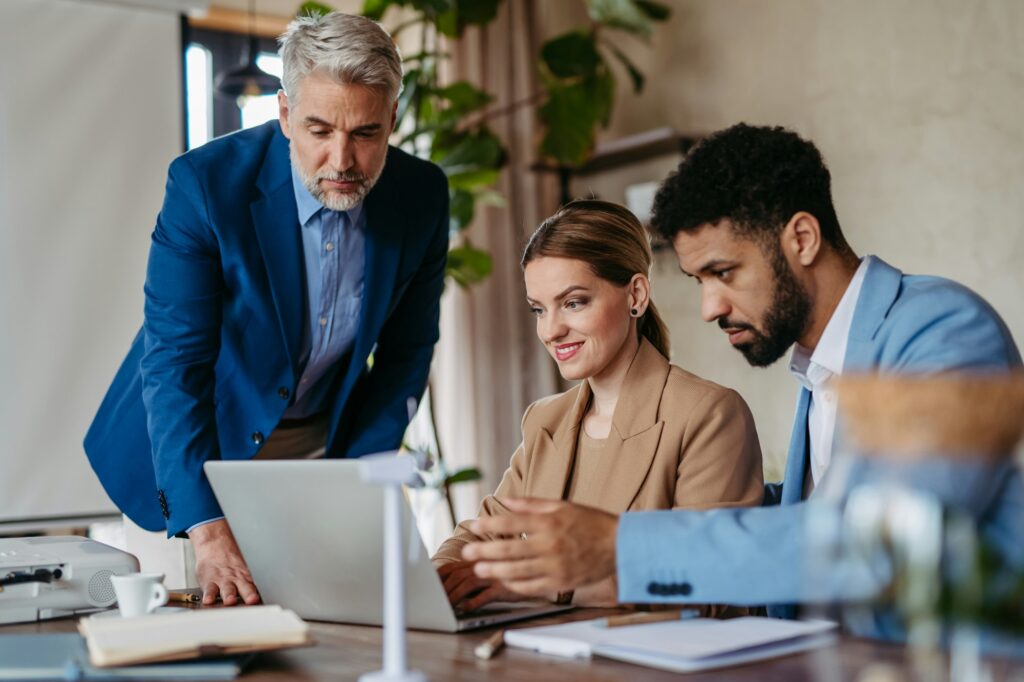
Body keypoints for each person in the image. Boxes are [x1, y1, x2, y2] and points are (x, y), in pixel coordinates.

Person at [459, 124, 1023, 624]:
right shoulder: (822, 369)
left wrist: (620, 544)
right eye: (698, 279)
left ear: (801, 239)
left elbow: (888, 541)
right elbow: (823, 514)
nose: (709, 307)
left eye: (723, 272)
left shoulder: (941, 330)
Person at [84, 12, 449, 606]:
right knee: (191, 645)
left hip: (314, 443)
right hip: (193, 441)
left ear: (392, 121)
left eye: (365, 133)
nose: (342, 160)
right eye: (319, 129)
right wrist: (205, 528)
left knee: (315, 633)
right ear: (283, 115)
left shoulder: (422, 195)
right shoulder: (204, 185)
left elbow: (409, 354)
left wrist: (351, 481)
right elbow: (175, 364)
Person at [433, 200, 763, 612]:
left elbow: (714, 588)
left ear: (636, 295)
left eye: (574, 302)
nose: (551, 330)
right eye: (539, 309)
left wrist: (531, 587)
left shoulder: (708, 414)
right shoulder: (544, 420)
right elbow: (482, 537)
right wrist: (428, 582)